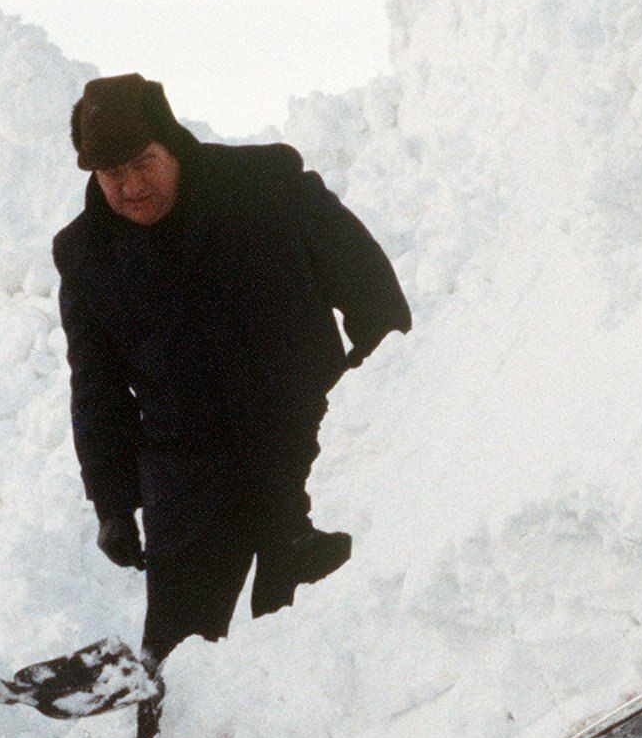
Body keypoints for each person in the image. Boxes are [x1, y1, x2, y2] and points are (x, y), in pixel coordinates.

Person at [51, 74, 411, 664]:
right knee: (175, 665)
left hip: (310, 445)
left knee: (309, 639)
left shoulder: (266, 187)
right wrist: (112, 504)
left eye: (144, 163)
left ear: (174, 145)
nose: (132, 186)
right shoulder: (86, 252)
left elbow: (370, 289)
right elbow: (97, 385)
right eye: (112, 174)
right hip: (187, 469)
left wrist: (380, 402)